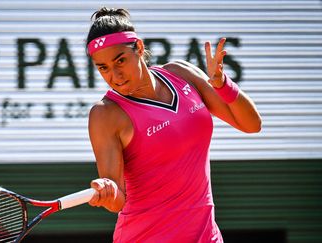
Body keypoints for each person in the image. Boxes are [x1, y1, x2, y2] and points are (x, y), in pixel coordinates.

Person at [86, 7, 261, 243]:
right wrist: (108, 191)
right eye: (103, 68)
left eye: (120, 61)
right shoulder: (105, 114)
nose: (115, 75)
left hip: (206, 236)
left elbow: (251, 124)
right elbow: (118, 199)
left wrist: (222, 85)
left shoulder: (180, 74)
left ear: (138, 48)